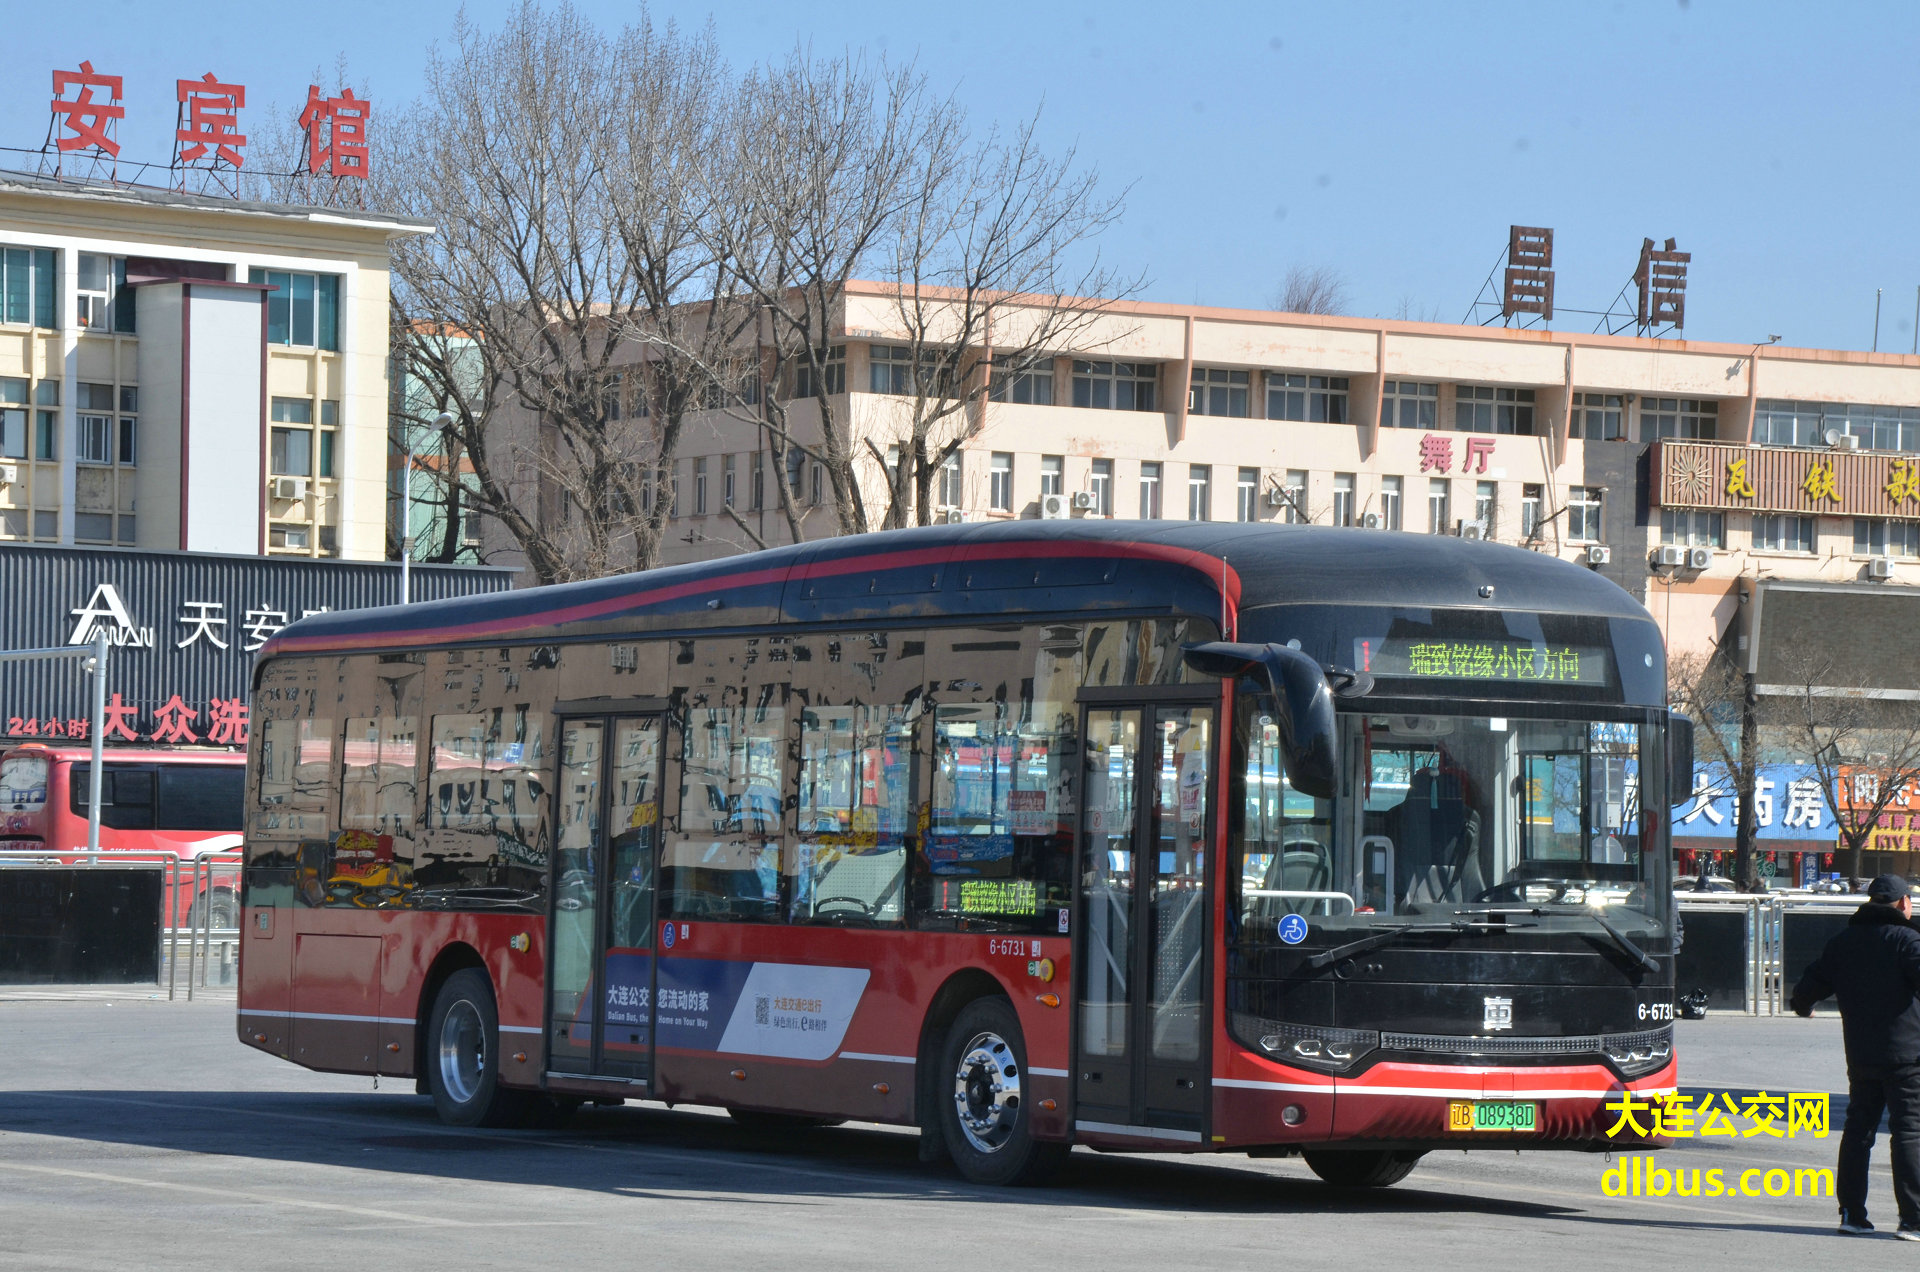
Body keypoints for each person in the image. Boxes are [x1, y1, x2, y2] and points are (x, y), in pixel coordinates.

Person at [1792, 873, 1920, 1239]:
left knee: (1858, 1132)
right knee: (1908, 1131)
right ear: (1903, 903)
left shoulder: (1843, 942)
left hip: (1861, 1055)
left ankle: (1851, 1214)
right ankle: (1913, 1219)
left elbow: (1808, 987)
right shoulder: (1908, 941)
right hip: (1908, 1055)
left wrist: (1803, 1006)